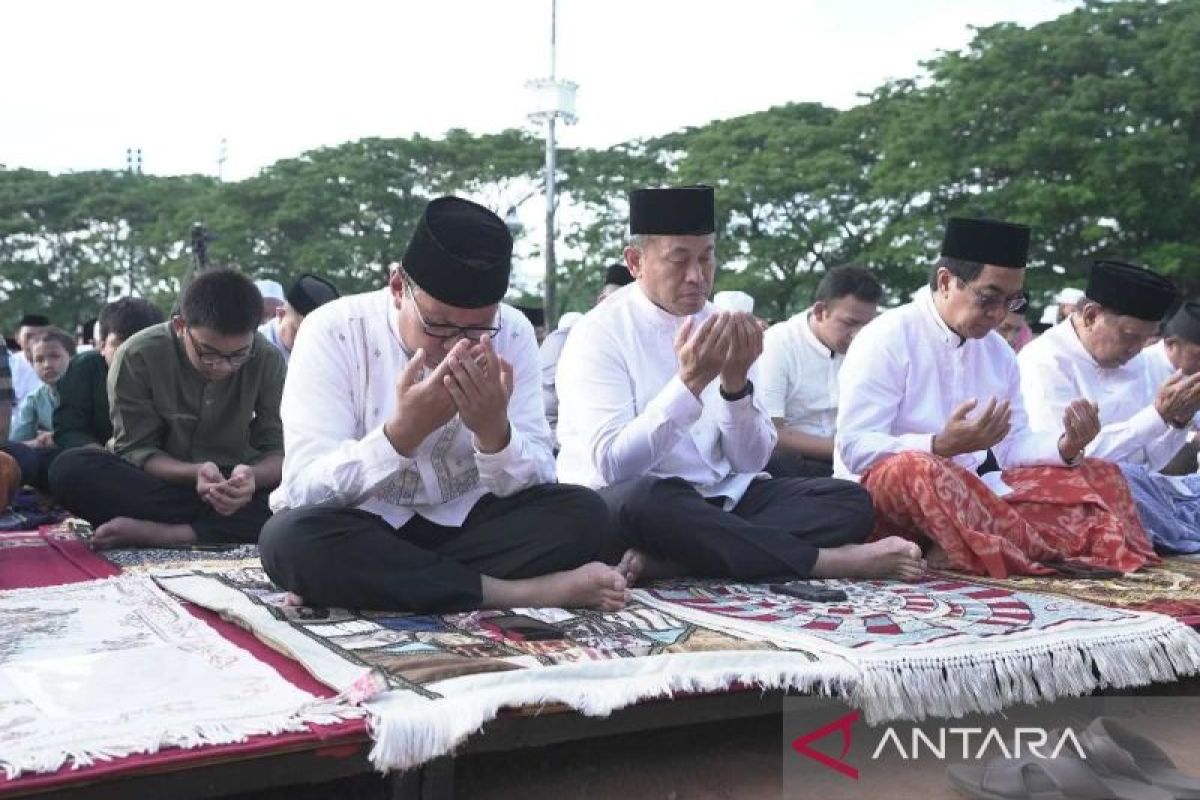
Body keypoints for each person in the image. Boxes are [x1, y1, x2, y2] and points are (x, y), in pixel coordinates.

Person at [259, 196, 625, 613]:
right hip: (364, 522)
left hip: (468, 525)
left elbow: (541, 474)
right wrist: (399, 436)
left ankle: (387, 582)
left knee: (588, 515)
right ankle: (522, 592)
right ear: (399, 288)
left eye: (476, 329)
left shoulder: (512, 331)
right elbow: (306, 489)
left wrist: (494, 435)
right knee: (288, 541)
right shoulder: (333, 331)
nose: (456, 345)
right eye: (439, 324)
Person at [557, 185, 919, 585]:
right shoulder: (599, 333)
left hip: (716, 502)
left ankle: (683, 561)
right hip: (634, 504)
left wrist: (734, 386)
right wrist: (689, 383)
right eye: (679, 260)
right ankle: (824, 562)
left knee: (850, 502)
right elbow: (614, 464)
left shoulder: (724, 322)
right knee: (649, 501)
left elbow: (750, 462)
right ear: (635, 261)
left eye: (706, 258)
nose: (697, 276)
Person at [836, 218, 1154, 578]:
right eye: (988, 300)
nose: (1000, 314)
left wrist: (1066, 445)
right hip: (879, 496)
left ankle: (974, 545)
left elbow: (1011, 448)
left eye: (1010, 301)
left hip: (975, 493)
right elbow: (855, 448)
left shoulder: (998, 353)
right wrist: (939, 444)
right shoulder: (887, 337)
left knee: (1099, 472)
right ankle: (1003, 545)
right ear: (945, 282)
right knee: (919, 467)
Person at [49, 269, 285, 548]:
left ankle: (168, 534)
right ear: (180, 326)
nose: (222, 366)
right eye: (208, 353)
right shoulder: (137, 355)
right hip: (157, 483)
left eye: (238, 355)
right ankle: (218, 529)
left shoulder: (268, 359)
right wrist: (194, 473)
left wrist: (251, 479)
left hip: (234, 486)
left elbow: (278, 451)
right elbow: (137, 450)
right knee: (69, 469)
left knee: (302, 504)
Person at [1019, 261, 1200, 553]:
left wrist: (1177, 421)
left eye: (1145, 339)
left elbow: (1148, 462)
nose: (1137, 350)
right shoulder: (1044, 360)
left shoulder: (1137, 362)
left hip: (1131, 486)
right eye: (1130, 336)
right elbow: (1068, 458)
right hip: (1061, 487)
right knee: (1124, 482)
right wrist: (1156, 417)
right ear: (1091, 315)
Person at [759, 264, 882, 478]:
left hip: (853, 457)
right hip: (796, 460)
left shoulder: (871, 345)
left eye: (867, 325)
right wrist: (843, 451)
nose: (858, 334)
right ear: (819, 311)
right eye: (849, 323)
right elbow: (771, 432)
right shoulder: (777, 344)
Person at [52, 298, 163, 450]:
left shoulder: (169, 370)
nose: (130, 353)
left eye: (142, 344)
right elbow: (69, 429)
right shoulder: (84, 367)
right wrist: (101, 455)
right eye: (120, 344)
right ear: (102, 346)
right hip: (99, 458)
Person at [1, 329, 74, 491]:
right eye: (39, 360)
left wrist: (62, 438)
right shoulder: (34, 399)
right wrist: (39, 442)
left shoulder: (86, 393)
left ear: (73, 358)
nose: (47, 365)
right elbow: (16, 443)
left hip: (85, 455)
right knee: (22, 458)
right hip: (51, 457)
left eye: (54, 356)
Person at [258, 274, 340, 362]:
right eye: (297, 332)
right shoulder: (253, 348)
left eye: (315, 336)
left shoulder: (326, 355)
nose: (306, 342)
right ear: (281, 314)